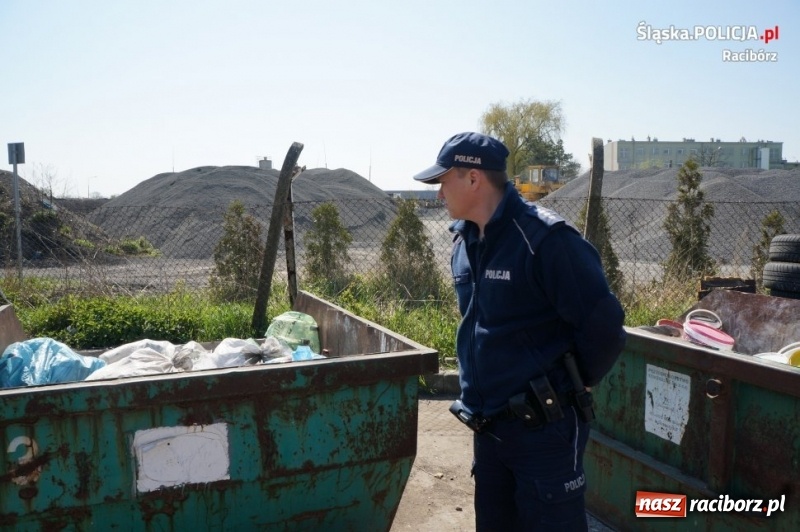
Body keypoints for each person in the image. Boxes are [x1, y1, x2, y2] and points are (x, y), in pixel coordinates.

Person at [413, 132, 626, 531]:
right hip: (488, 428)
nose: (439, 193)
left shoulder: (545, 240)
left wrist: (573, 383)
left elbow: (604, 327)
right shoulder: (464, 241)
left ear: (473, 178)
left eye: (443, 181)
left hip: (544, 432)